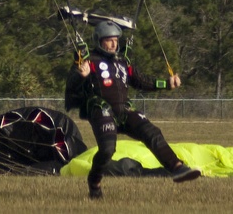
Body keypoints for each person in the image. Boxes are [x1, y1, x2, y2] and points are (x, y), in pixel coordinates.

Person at [65, 20, 200, 199]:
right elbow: (72, 86)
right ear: (99, 41)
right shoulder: (89, 62)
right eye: (109, 40)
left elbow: (143, 81)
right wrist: (81, 76)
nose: (114, 44)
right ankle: (94, 181)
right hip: (102, 109)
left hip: (125, 110)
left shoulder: (122, 62)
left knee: (151, 132)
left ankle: (176, 167)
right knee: (107, 150)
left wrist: (167, 84)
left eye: (116, 40)